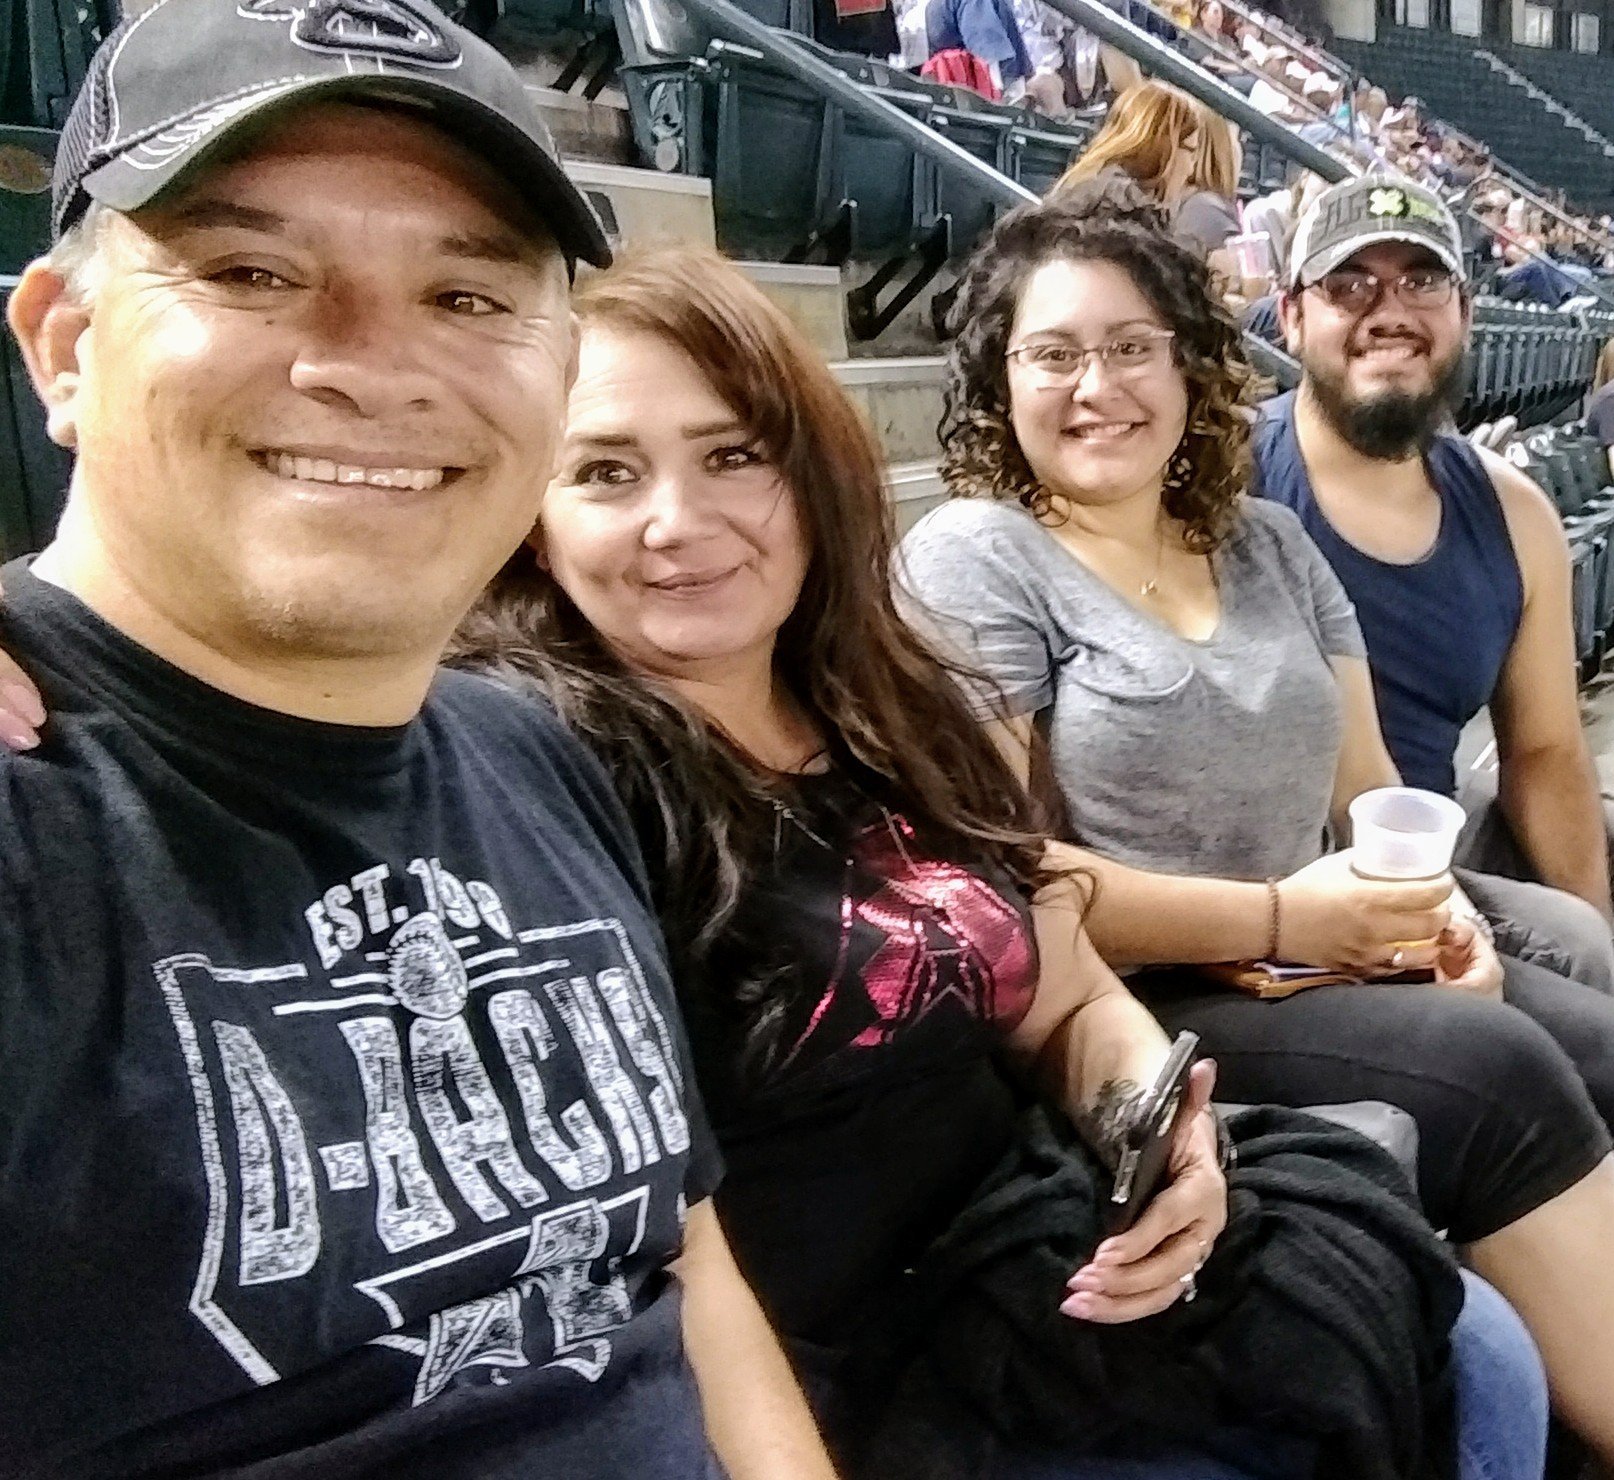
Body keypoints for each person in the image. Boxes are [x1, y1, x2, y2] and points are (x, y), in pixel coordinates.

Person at [0, 228, 1550, 1479]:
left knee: (1462, 1338)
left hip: (1044, 1236)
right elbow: (229, 683)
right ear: (529, 510)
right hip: (861, 1367)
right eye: (605, 472)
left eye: (732, 455)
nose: (676, 522)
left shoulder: (888, 695)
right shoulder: (515, 752)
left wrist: (1153, 1127)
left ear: (808, 477)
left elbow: (1065, 986)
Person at [0, 2, 836, 1475]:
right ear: (65, 348)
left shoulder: (536, 750)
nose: (375, 365)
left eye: (465, 295)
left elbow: (680, 1267)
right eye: (252, 273)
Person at [895, 178, 1614, 1459]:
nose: (1097, 385)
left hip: (1310, 949)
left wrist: (1436, 922)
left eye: (1132, 347)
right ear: (1001, 379)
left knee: (1595, 1029)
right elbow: (1001, 882)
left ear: (1188, 365)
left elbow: (1372, 789)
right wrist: (1287, 920)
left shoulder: (1266, 541)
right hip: (1136, 994)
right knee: (1502, 1076)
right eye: (1053, 353)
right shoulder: (977, 558)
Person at [1255, 174, 1614, 945]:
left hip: (1423, 876)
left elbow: (1546, 753)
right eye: (1348, 284)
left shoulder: (1517, 516)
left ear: (1465, 314)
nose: (1390, 312)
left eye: (1422, 282)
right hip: (1262, 902)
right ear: (1291, 317)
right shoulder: (1219, 485)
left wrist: (1599, 941)